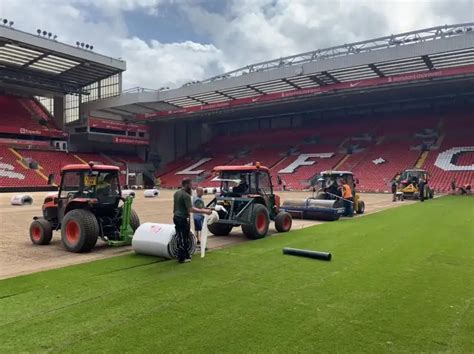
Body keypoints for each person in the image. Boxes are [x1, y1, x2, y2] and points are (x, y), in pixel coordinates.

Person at [173, 178, 212, 263]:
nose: (192, 186)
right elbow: (190, 209)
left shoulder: (176, 193)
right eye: (190, 184)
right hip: (183, 218)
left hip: (176, 216)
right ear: (186, 184)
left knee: (180, 236)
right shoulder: (186, 195)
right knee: (184, 237)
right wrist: (204, 211)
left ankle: (184, 254)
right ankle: (182, 257)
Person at [193, 187, 206, 251]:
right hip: (198, 216)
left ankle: (198, 240)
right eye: (201, 191)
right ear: (198, 192)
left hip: (197, 216)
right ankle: (199, 241)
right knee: (200, 229)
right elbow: (200, 208)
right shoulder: (197, 200)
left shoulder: (198, 198)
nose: (203, 193)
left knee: (197, 229)